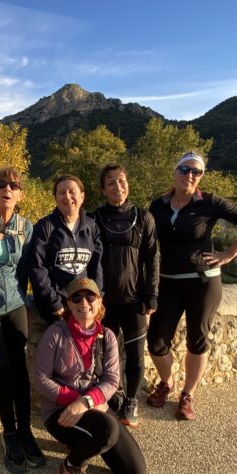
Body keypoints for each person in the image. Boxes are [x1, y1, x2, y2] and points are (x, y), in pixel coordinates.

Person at [146, 152, 237, 420]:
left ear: (201, 177)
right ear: (175, 172)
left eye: (196, 172)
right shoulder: (158, 205)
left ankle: (187, 395)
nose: (190, 176)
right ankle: (166, 382)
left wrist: (228, 254)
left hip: (203, 282)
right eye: (185, 170)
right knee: (156, 341)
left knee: (197, 340)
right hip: (167, 283)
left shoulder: (209, 202)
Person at [33, 277, 146, 474]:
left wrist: (85, 403)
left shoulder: (107, 337)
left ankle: (83, 442)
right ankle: (71, 466)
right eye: (76, 297)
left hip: (92, 407)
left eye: (90, 296)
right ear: (69, 303)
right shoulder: (56, 334)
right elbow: (40, 378)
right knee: (108, 429)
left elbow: (112, 379)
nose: (83, 302)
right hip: (60, 413)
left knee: (135, 471)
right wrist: (74, 401)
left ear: (99, 302)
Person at [0, 167, 46, 474]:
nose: (7, 189)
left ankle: (25, 431)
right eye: (0, 184)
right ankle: (9, 432)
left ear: (20, 194)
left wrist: (30, 303)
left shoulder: (26, 227)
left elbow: (28, 269)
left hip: (15, 305)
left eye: (13, 185)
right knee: (1, 367)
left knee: (19, 367)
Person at [94, 164, 159, 428]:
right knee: (103, 355)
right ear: (103, 189)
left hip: (134, 301)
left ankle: (131, 400)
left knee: (134, 356)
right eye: (111, 183)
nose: (117, 187)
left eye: (121, 181)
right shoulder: (95, 217)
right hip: (104, 302)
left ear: (127, 183)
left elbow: (153, 258)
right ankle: (111, 396)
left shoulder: (144, 218)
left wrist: (152, 294)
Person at [26, 174, 104, 322]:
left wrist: (96, 297)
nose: (67, 197)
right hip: (57, 307)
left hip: (84, 305)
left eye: (71, 191)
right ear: (55, 198)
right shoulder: (45, 227)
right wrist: (53, 302)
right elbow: (37, 267)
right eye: (61, 192)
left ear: (82, 196)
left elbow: (98, 265)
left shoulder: (91, 227)